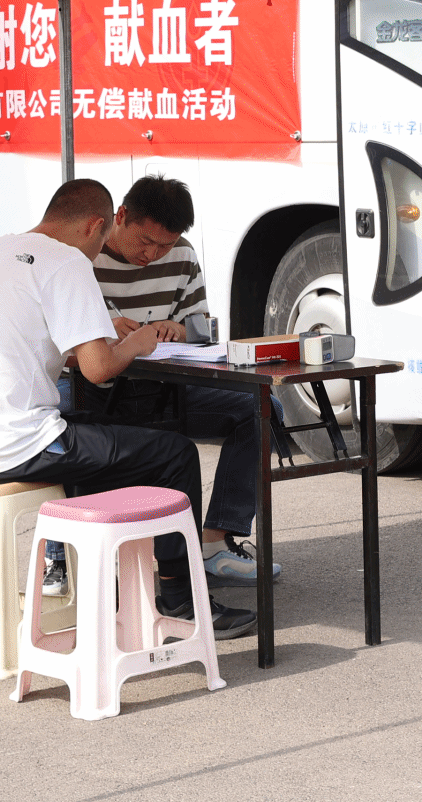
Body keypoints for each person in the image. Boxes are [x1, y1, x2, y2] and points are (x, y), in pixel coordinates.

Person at [0, 178, 255, 638]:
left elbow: (52, 346)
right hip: (11, 445)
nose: (99, 252)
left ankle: (80, 570)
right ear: (99, 225)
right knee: (175, 454)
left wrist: (99, 332)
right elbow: (98, 369)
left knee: (98, 428)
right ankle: (180, 600)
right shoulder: (67, 260)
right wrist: (137, 342)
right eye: (101, 242)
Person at [63, 174, 282, 594]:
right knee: (55, 423)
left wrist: (175, 330)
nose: (154, 254)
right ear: (120, 216)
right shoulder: (83, 256)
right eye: (146, 242)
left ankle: (215, 542)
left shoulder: (180, 255)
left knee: (260, 410)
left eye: (164, 245)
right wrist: (103, 329)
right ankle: (62, 557)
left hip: (162, 388)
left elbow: (199, 329)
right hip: (91, 387)